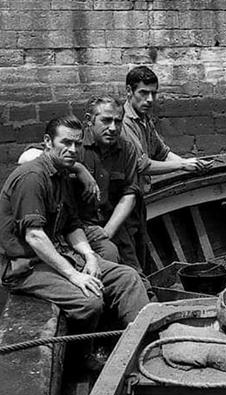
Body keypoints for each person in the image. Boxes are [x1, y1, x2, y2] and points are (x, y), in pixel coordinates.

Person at [0, 115, 149, 352]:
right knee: (89, 303)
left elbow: (71, 226)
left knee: (127, 277)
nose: (72, 150)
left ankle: (143, 347)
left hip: (59, 255)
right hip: (26, 267)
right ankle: (81, 358)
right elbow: (34, 236)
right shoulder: (32, 178)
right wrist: (74, 275)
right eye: (66, 143)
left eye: (77, 144)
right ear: (48, 142)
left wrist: (89, 256)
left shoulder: (63, 174)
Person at [121, 66, 214, 274]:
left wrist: (192, 163)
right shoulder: (125, 124)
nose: (150, 100)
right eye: (143, 93)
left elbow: (161, 152)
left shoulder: (144, 119)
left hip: (139, 200)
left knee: (140, 254)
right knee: (131, 261)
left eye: (154, 93)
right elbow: (142, 164)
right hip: (123, 202)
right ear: (129, 91)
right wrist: (182, 165)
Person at [78, 96, 147, 287]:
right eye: (106, 121)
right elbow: (29, 157)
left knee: (138, 276)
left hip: (112, 223)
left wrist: (108, 231)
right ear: (89, 120)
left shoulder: (127, 149)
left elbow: (130, 194)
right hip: (79, 226)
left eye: (117, 121)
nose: (113, 128)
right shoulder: (75, 144)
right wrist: (79, 168)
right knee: (108, 256)